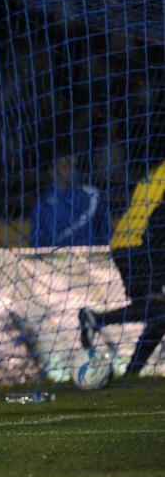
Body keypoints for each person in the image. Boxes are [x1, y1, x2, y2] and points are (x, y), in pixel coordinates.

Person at [79, 160, 165, 377]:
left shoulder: (159, 170)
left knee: (159, 314)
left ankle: (131, 373)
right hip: (140, 245)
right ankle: (95, 319)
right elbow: (156, 220)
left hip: (132, 243)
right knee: (157, 308)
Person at [30, 155, 110, 247]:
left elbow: (106, 232)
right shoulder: (42, 205)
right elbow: (37, 243)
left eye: (72, 165)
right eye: (65, 165)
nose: (70, 170)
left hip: (91, 258)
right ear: (52, 170)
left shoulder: (92, 196)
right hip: (57, 259)